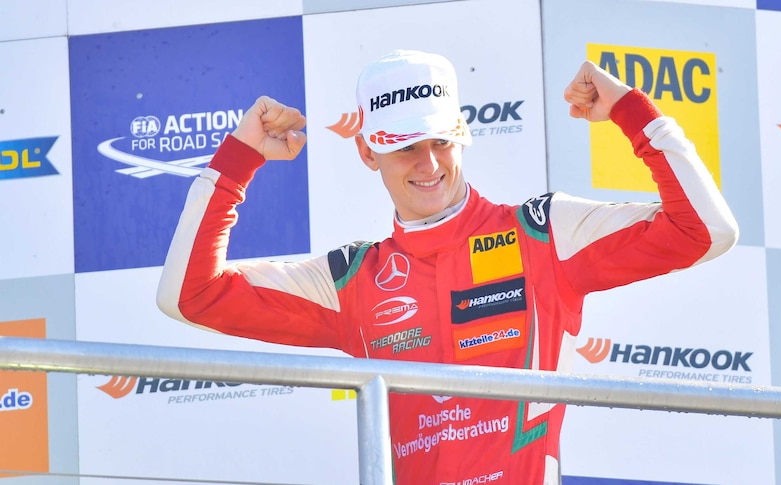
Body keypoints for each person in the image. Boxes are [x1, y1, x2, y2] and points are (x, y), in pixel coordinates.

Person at [157, 49, 738, 485]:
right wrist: (237, 160)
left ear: (461, 134)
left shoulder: (542, 232)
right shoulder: (350, 280)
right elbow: (189, 295)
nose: (428, 163)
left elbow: (705, 231)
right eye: (406, 146)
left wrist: (633, 113)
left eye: (440, 141)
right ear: (368, 152)